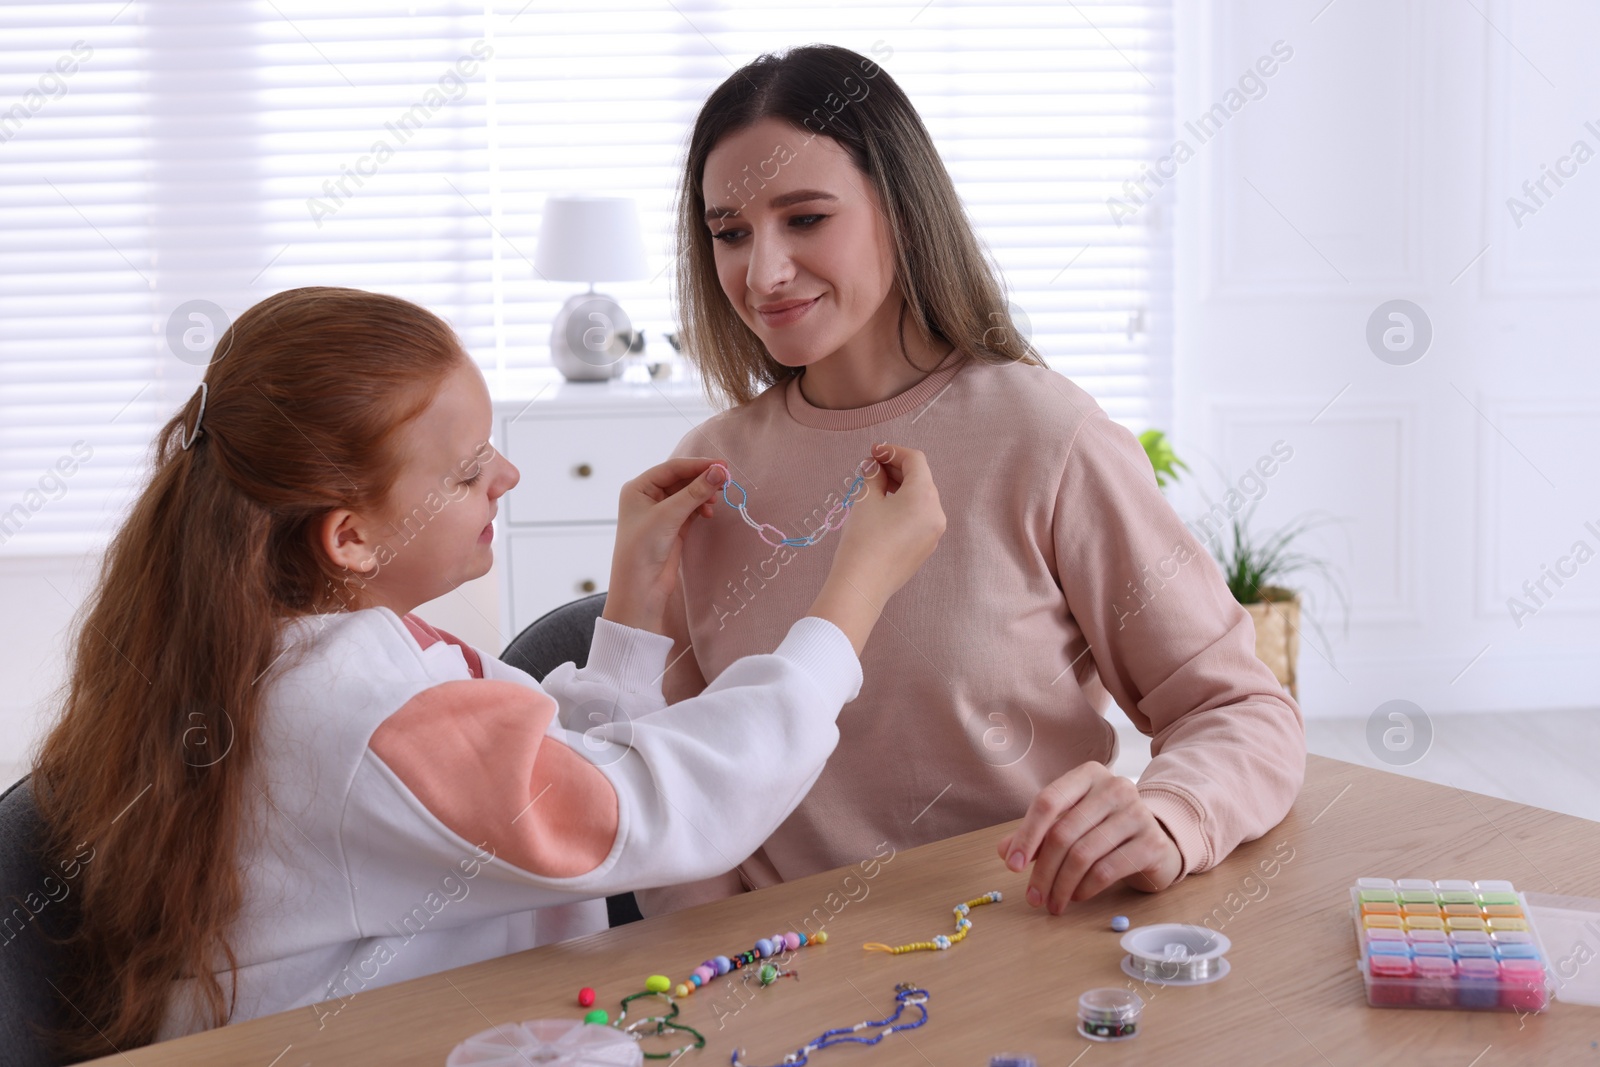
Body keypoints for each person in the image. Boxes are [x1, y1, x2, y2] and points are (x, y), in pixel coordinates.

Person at [26, 286, 945, 1056]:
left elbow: (539, 784)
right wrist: (852, 596)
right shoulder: (355, 710)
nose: (506, 474)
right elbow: (651, 810)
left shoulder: (277, 649)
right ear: (350, 537)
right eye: (468, 471)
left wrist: (631, 608)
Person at [638, 44, 1305, 921]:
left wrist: (1172, 814)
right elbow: (675, 783)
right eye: (729, 232)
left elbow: (1241, 705)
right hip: (774, 981)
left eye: (804, 218)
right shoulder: (712, 473)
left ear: (902, 211)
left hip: (1012, 953)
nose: (761, 273)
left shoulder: (1044, 434)